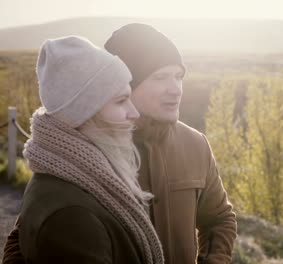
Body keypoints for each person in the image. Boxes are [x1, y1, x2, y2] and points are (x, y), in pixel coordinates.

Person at [5, 36, 164, 264]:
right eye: (121, 101)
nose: (134, 113)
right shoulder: (72, 219)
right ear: (82, 114)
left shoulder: (67, 174)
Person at [103, 23, 237, 263]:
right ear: (125, 84)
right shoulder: (90, 146)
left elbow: (219, 220)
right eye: (161, 77)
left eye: (178, 76)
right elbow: (26, 238)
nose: (175, 89)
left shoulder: (196, 144)